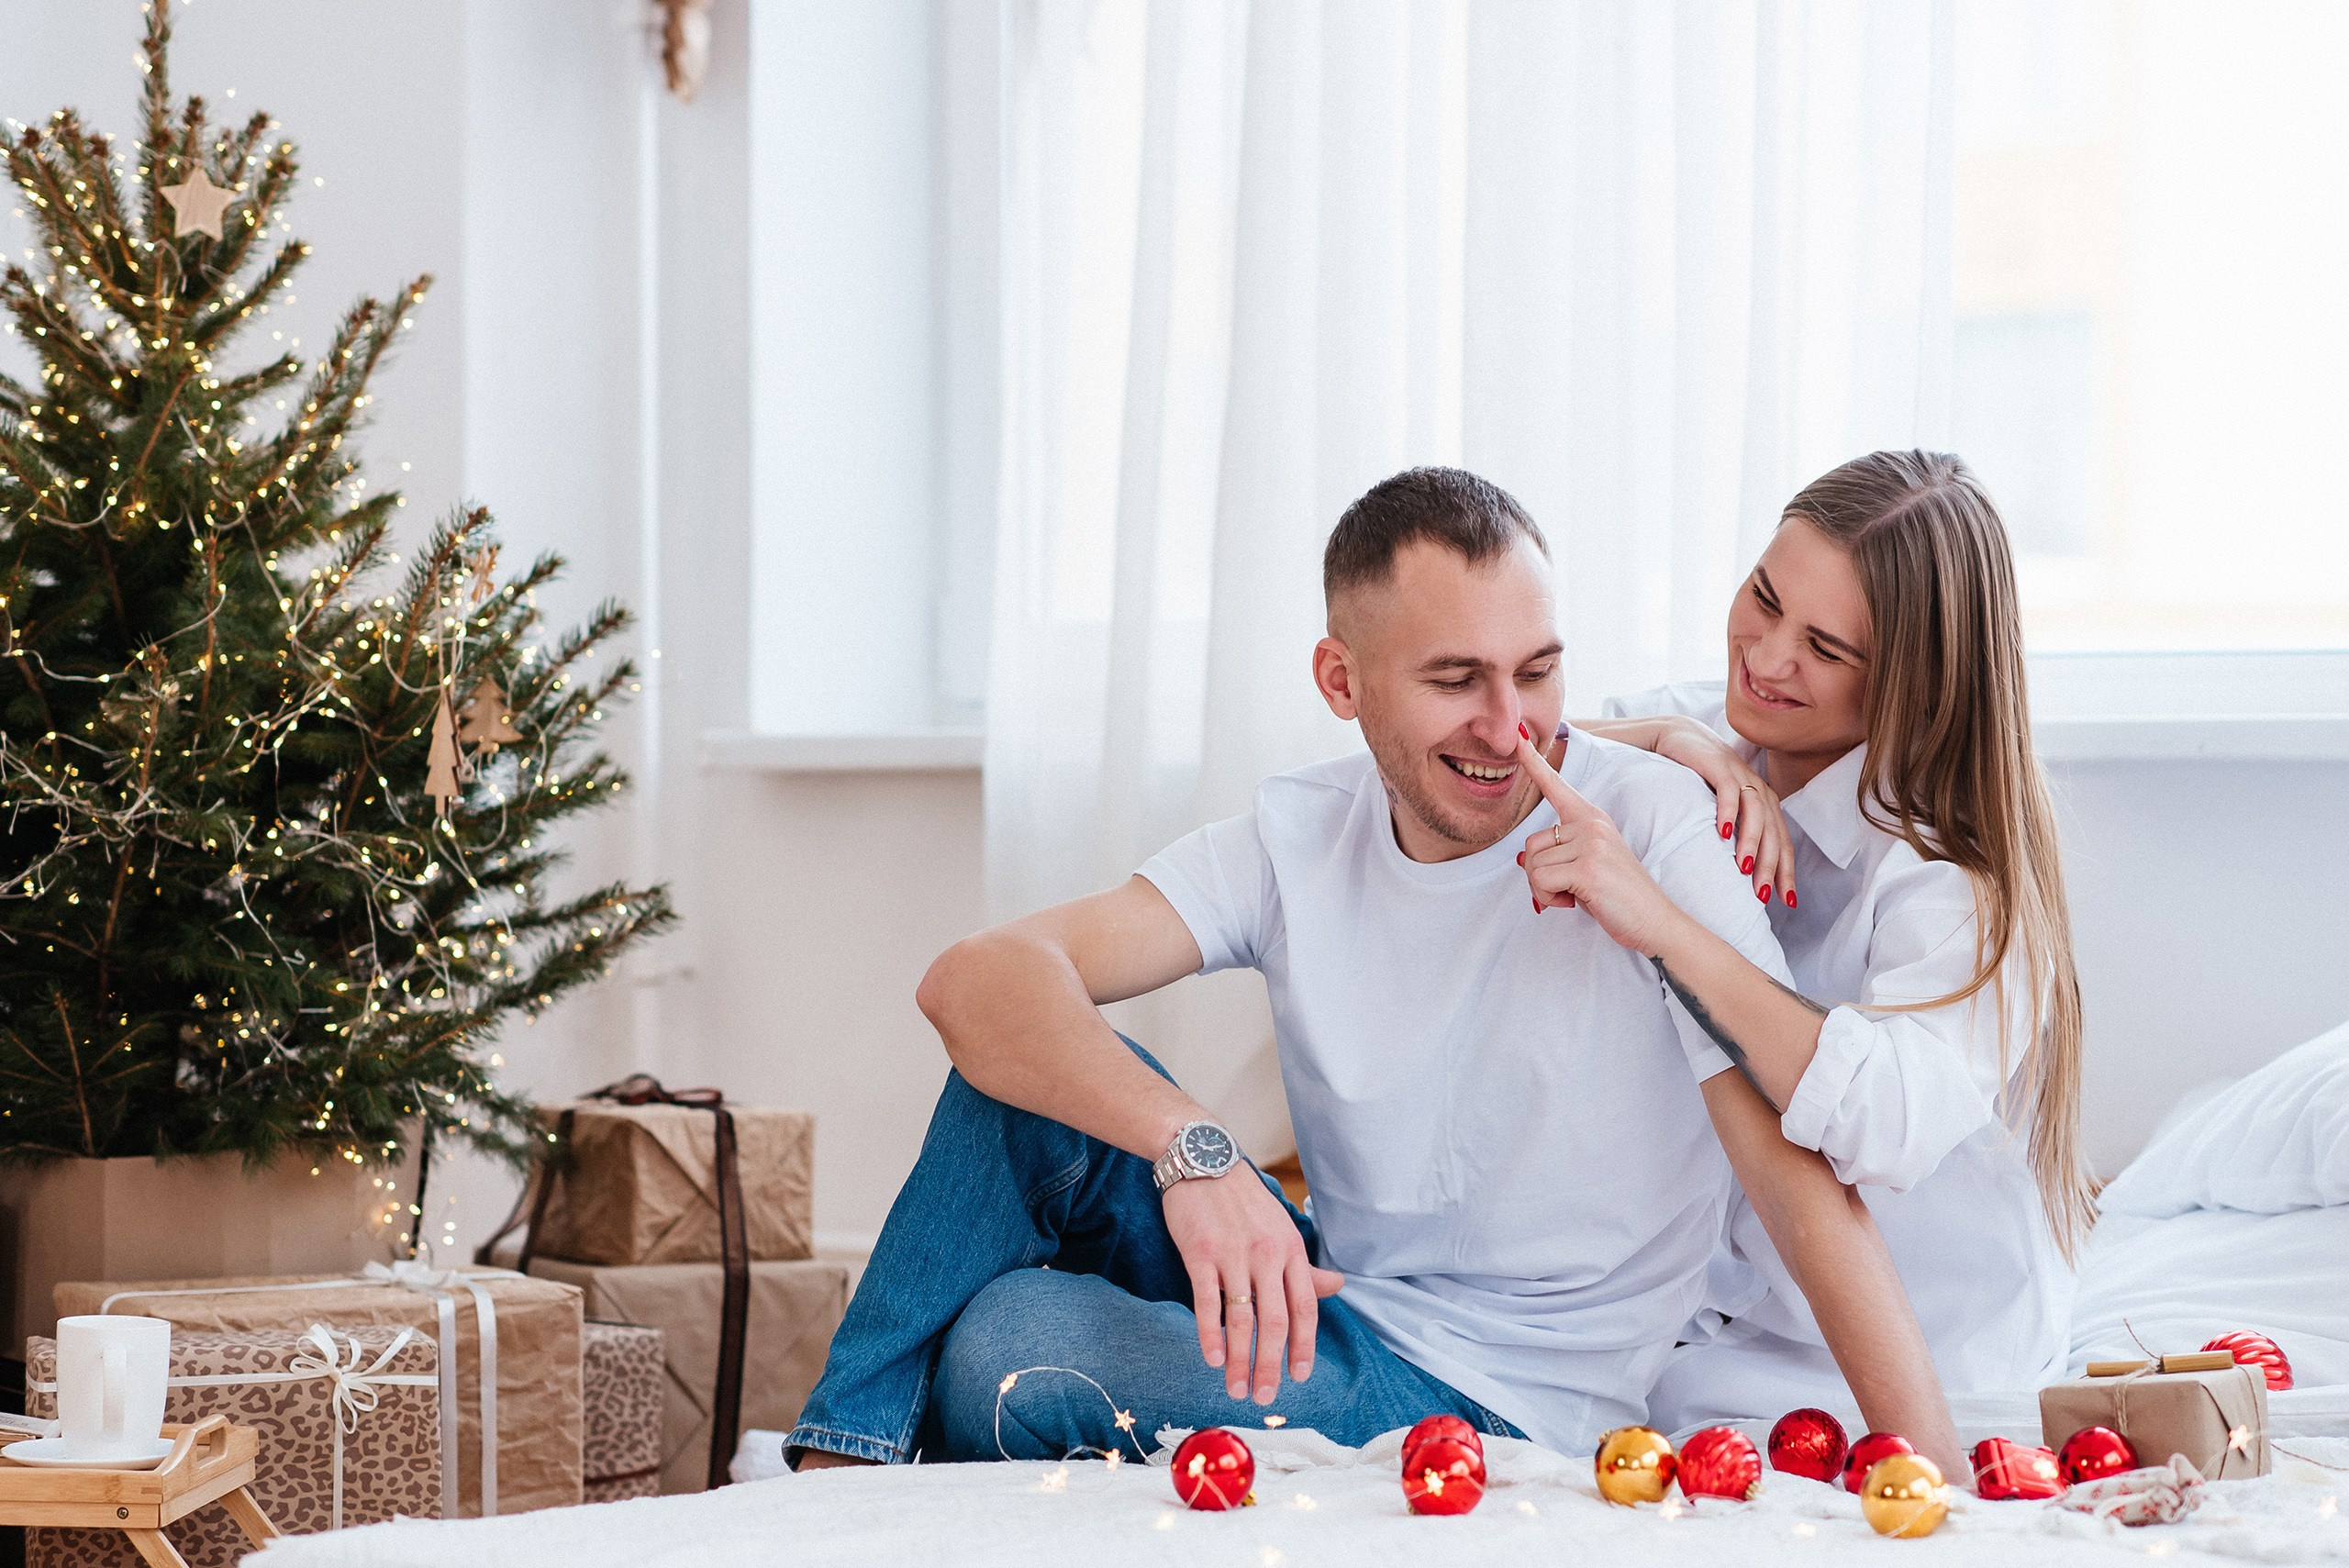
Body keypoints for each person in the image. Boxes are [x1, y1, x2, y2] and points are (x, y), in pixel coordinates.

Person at [785, 467, 1962, 1473]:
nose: (1510, 727)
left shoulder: (1646, 833)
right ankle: (842, 1476)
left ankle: (859, 1457)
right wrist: (1195, 1149)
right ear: (1341, 682)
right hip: (1330, 1298)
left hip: (1490, 1395)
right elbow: (978, 978)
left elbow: (1792, 1168)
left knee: (1003, 1342)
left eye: (1537, 673)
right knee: (1017, 1072)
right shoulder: (1301, 832)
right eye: (1455, 681)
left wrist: (1945, 1490)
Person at [1547, 450, 2085, 1429]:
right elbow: (1479, 742)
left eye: (1826, 648)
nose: (1764, 657)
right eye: (1763, 596)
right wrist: (1672, 739)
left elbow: (1883, 1117)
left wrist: (1671, 927)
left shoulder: (1953, 876)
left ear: (1914, 687)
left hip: (1918, 1349)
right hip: (1709, 1315)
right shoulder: (1715, 730)